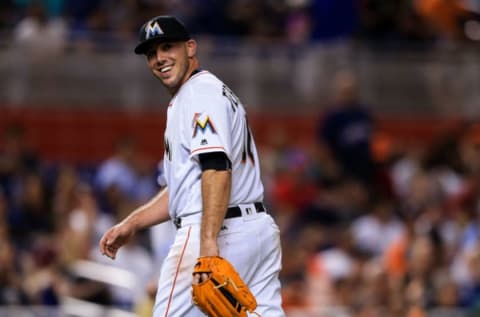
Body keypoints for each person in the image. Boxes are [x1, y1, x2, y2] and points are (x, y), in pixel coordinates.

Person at [99, 16, 285, 316]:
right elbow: (185, 188)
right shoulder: (211, 92)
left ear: (190, 48)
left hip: (215, 230)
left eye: (167, 47)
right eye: (151, 54)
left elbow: (216, 166)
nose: (159, 58)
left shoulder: (198, 93)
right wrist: (132, 223)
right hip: (257, 231)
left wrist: (208, 244)